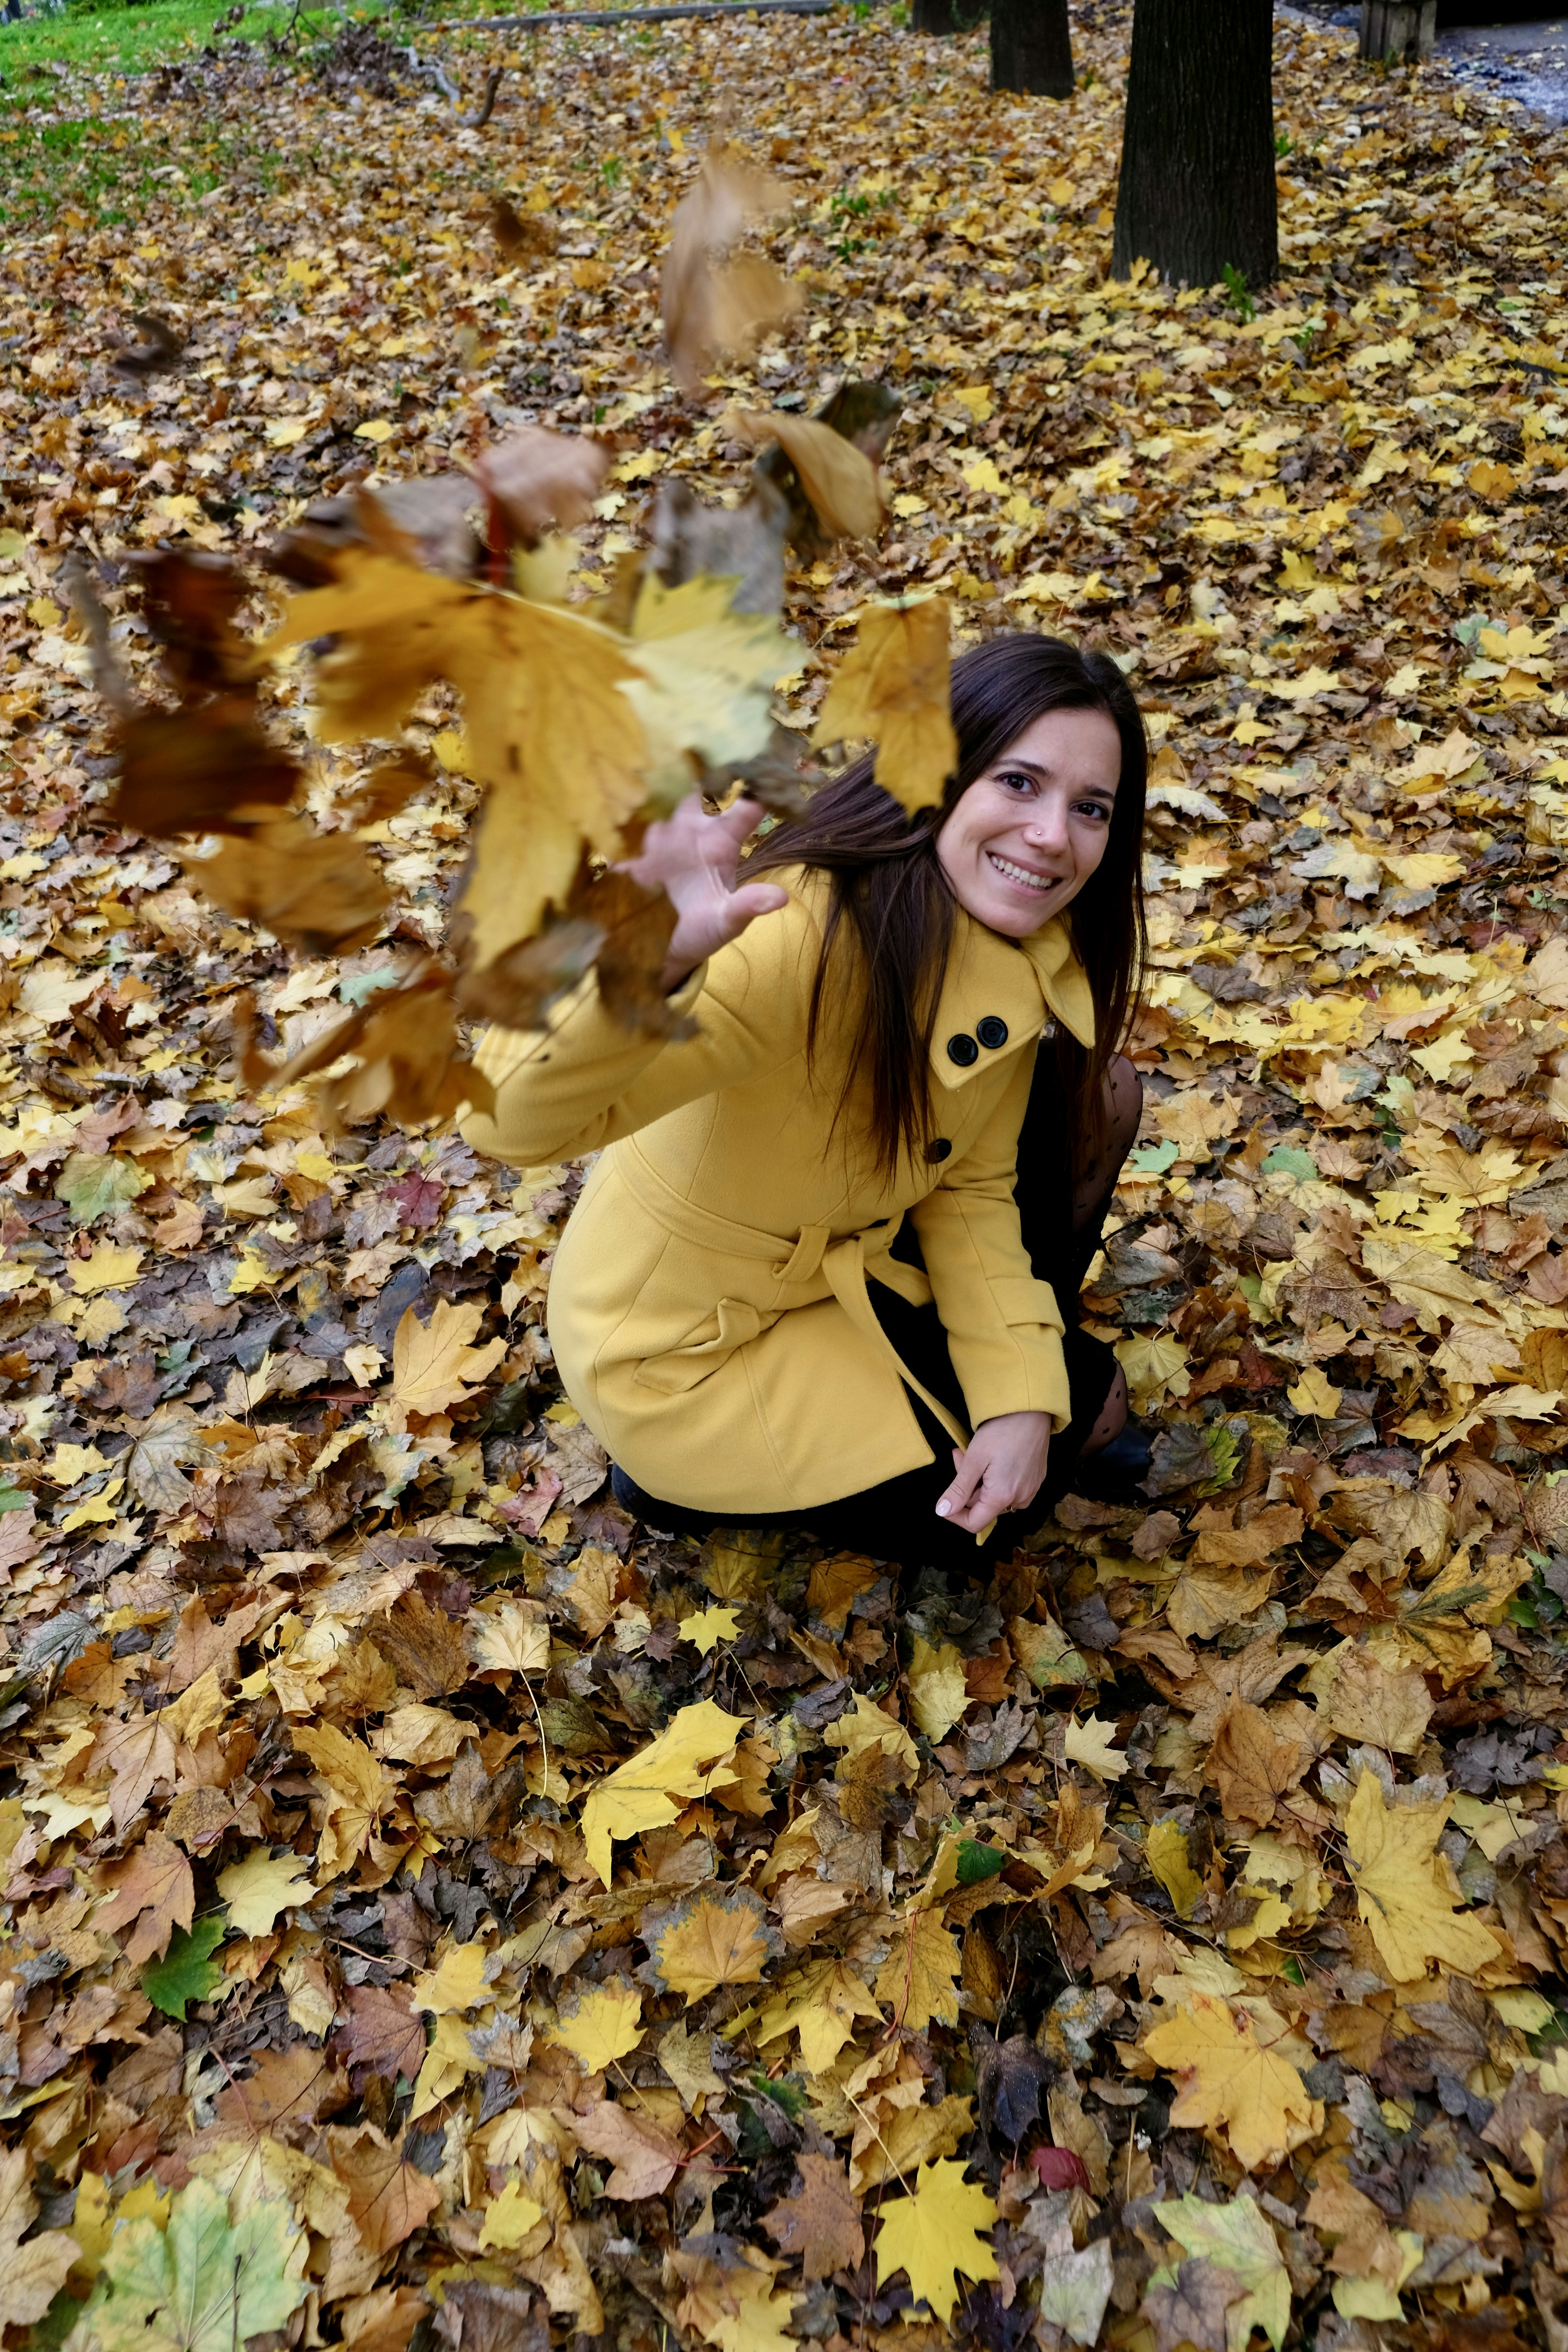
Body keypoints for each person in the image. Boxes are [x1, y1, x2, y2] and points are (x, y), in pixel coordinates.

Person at [460, 631, 1150, 1573]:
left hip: (840, 1259)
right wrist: (644, 961)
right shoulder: (793, 940)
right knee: (982, 1522)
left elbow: (970, 1192)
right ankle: (661, 1480)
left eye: (1090, 808)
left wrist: (1016, 1392)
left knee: (1096, 1112)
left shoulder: (1010, 955)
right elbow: (505, 1123)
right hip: (683, 1347)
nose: (1050, 836)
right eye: (1017, 783)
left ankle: (1009, 1362)